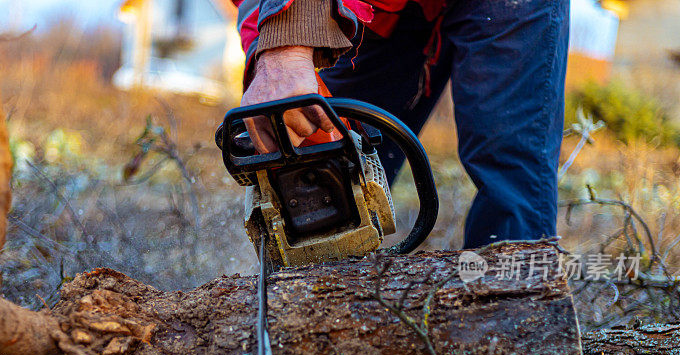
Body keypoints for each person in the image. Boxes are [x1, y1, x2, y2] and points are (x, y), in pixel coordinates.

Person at [233, 0, 570, 248]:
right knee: (325, 165)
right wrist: (269, 52)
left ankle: (518, 313)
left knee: (508, 152)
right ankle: (318, 305)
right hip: (377, 10)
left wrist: (287, 43)